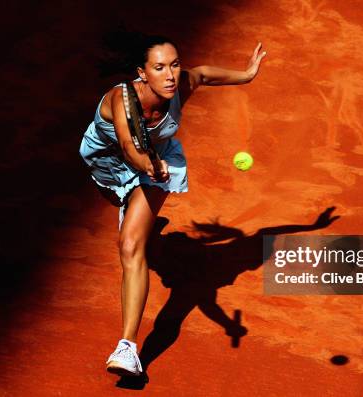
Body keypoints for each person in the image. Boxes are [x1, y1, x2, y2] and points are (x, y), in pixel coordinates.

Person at [79, 34, 267, 377]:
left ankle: (127, 348)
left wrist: (247, 74)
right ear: (142, 73)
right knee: (119, 201)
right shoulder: (122, 100)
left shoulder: (180, 84)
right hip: (110, 162)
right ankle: (138, 211)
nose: (170, 75)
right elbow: (127, 145)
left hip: (159, 163)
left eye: (175, 65)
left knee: (130, 245)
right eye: (159, 67)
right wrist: (145, 163)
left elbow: (205, 74)